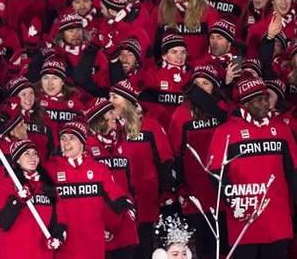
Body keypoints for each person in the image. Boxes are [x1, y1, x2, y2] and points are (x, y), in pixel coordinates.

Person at [208, 76, 297, 259]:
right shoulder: (225, 132)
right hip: (243, 222)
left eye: (266, 98)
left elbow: (293, 171)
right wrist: (233, 202)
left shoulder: (281, 129)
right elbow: (215, 174)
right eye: (259, 99)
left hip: (277, 221)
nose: (265, 103)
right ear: (245, 104)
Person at [44, 120, 136, 259]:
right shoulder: (50, 170)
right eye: (63, 138)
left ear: (82, 142)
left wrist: (126, 204)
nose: (66, 142)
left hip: (92, 245)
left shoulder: (99, 169)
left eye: (72, 138)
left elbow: (113, 193)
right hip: (64, 244)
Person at [109, 79, 177, 259]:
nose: (111, 102)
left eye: (115, 97)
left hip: (145, 196)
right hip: (118, 198)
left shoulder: (150, 125)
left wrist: (166, 190)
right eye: (110, 97)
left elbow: (166, 159)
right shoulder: (110, 126)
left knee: (143, 247)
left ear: (128, 100)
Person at [168, 64, 230, 259]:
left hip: (223, 191)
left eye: (206, 83)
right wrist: (180, 187)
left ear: (214, 87)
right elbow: (175, 154)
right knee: (202, 248)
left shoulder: (223, 110)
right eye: (196, 84)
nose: (201, 88)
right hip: (196, 193)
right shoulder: (181, 114)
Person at [0, 139, 67, 258]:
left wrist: (58, 237)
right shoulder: (5, 185)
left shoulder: (47, 185)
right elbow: (2, 223)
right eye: (26, 153)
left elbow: (59, 220)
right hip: (13, 252)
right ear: (17, 159)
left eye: (35, 153)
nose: (32, 157)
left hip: (41, 252)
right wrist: (17, 200)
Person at [86, 97, 139, 259]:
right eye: (110, 112)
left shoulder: (122, 143)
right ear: (100, 118)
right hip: (101, 221)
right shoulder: (87, 146)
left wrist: (131, 208)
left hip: (124, 219)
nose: (115, 115)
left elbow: (131, 180)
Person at [153, 0, 220, 60]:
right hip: (171, 67)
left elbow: (219, 42)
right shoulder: (160, 11)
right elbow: (152, 43)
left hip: (200, 68)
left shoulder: (208, 11)